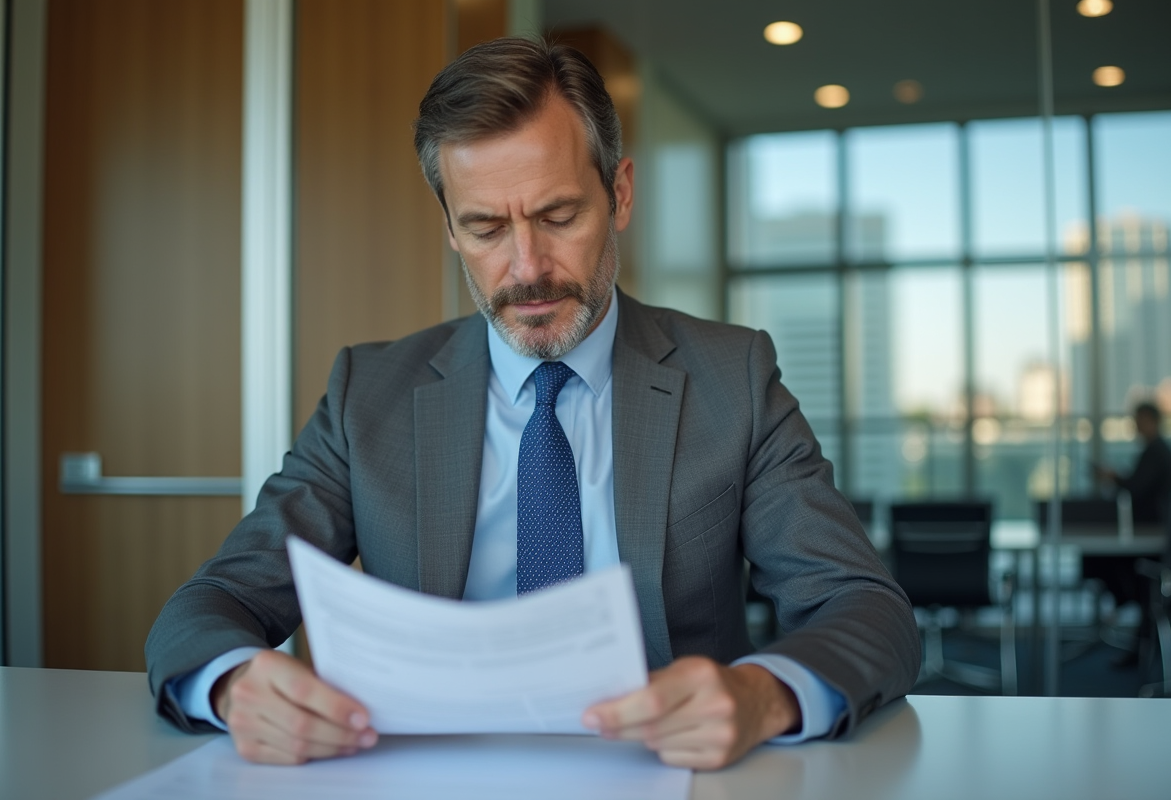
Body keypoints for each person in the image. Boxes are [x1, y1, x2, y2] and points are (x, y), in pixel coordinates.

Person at [145, 38, 918, 770]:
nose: (527, 268)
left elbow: (864, 608)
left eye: (558, 217)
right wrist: (234, 683)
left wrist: (763, 694)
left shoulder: (733, 377)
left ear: (618, 194)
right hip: (418, 773)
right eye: (485, 227)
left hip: (665, 771)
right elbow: (215, 599)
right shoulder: (367, 394)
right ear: (449, 228)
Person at [1091, 400, 1171, 667]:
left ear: (1151, 420)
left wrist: (1113, 477)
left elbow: (1136, 489)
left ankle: (1123, 606)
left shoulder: (1156, 452)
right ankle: (1136, 635)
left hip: (1151, 534)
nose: (1135, 426)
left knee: (1126, 574)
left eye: (1138, 420)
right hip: (1154, 533)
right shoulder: (1160, 451)